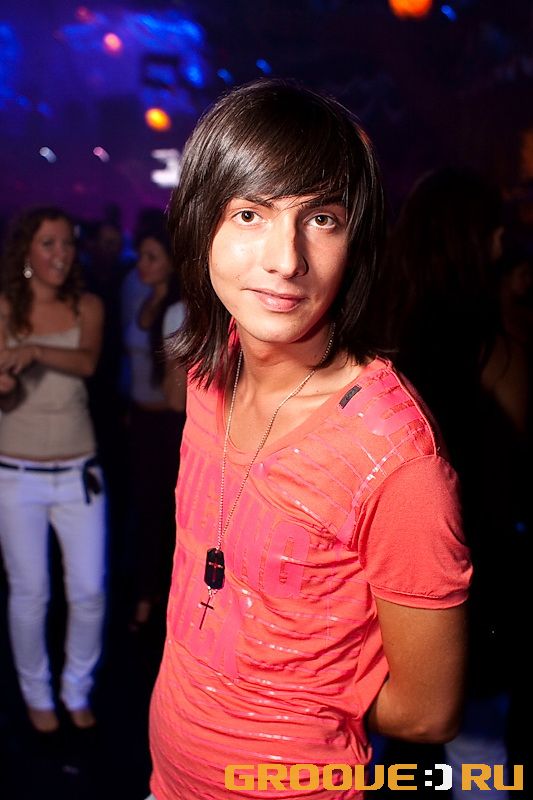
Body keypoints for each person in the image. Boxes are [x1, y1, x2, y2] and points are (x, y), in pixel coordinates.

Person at [147, 79, 472, 800]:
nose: (286, 259)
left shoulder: (394, 460)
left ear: (355, 241)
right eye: (250, 214)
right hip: (170, 774)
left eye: (320, 218)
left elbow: (428, 711)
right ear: (201, 222)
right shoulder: (211, 368)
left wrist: (302, 697)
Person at [383, 167, 530, 798]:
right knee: (476, 747)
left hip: (390, 568)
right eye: (494, 232)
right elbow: (516, 471)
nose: (502, 243)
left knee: (384, 743)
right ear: (470, 240)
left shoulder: (382, 336)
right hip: (476, 569)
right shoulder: (496, 348)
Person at [0, 206, 106, 733]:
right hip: (15, 476)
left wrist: (34, 351)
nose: (60, 254)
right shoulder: (4, 308)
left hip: (79, 476)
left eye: (67, 243)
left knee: (89, 592)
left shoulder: (88, 305)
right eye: (48, 244)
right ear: (26, 251)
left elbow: (87, 362)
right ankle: (37, 694)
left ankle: (76, 689)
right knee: (31, 594)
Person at [122, 226, 186, 631]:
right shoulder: (144, 298)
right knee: (143, 510)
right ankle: (147, 593)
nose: (142, 264)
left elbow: (178, 392)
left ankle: (151, 599)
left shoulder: (179, 311)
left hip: (166, 425)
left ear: (171, 263)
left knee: (159, 512)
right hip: (141, 419)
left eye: (152, 257)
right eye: (141, 256)